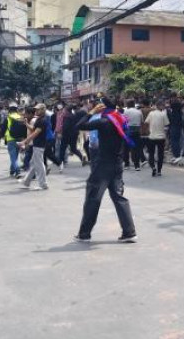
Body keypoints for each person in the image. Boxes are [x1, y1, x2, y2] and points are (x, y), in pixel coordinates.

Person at [74, 98, 137, 243]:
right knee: (119, 197)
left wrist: (91, 112)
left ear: (102, 107)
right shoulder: (121, 119)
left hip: (103, 164)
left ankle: (84, 234)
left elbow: (79, 125)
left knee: (93, 198)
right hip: (117, 163)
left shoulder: (103, 122)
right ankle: (129, 232)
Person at [19, 103, 52, 190]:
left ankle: (43, 184)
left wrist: (24, 141)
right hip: (37, 144)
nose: (36, 111)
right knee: (33, 164)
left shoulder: (42, 120)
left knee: (39, 165)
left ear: (43, 110)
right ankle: (26, 181)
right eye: (36, 109)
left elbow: (35, 133)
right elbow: (33, 129)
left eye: (38, 109)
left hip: (39, 145)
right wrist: (26, 123)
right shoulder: (39, 119)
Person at [59, 103, 87, 168]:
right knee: (73, 148)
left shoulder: (67, 117)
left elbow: (65, 127)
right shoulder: (74, 116)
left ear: (67, 110)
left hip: (66, 135)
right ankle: (81, 157)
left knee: (62, 149)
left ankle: (60, 162)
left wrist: (61, 132)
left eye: (64, 110)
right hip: (74, 134)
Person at [144, 100, 168, 177]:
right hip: (161, 137)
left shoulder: (151, 113)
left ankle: (153, 167)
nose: (164, 107)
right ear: (160, 106)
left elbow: (146, 122)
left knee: (151, 153)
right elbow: (166, 124)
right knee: (160, 154)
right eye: (163, 105)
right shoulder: (163, 114)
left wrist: (148, 131)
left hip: (152, 136)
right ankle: (159, 170)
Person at [2, 104, 27, 177]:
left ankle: (17, 171)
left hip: (10, 139)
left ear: (9, 110)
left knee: (13, 157)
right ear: (16, 110)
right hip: (20, 139)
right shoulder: (20, 117)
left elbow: (3, 128)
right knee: (15, 156)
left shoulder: (8, 118)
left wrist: (1, 136)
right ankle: (12, 170)